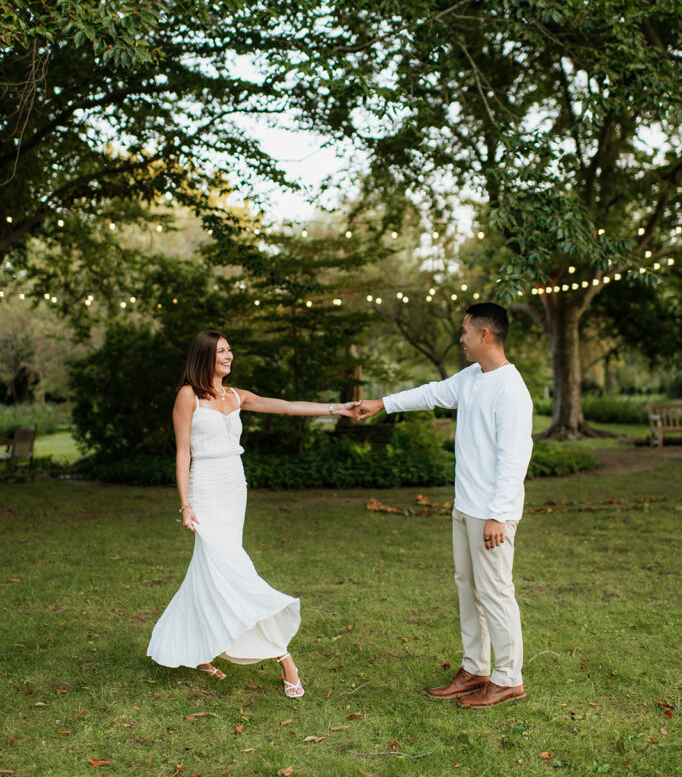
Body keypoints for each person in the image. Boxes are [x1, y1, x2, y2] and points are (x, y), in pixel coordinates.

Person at [147, 329, 358, 697]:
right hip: (206, 489)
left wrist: (334, 408)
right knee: (235, 571)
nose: (229, 357)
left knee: (209, 572)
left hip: (234, 486)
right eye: (221, 352)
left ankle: (201, 651)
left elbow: (287, 406)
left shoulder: (236, 395)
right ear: (204, 357)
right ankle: (284, 659)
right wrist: (185, 504)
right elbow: (183, 453)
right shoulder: (188, 397)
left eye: (230, 351)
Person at [354, 303, 533, 709]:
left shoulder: (511, 389)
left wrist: (498, 515)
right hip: (466, 505)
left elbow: (514, 456)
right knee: (467, 589)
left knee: (495, 591)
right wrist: (382, 403)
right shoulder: (472, 377)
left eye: (465, 332)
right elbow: (431, 393)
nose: (461, 339)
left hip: (492, 513)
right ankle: (476, 669)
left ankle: (508, 678)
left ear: (485, 335)